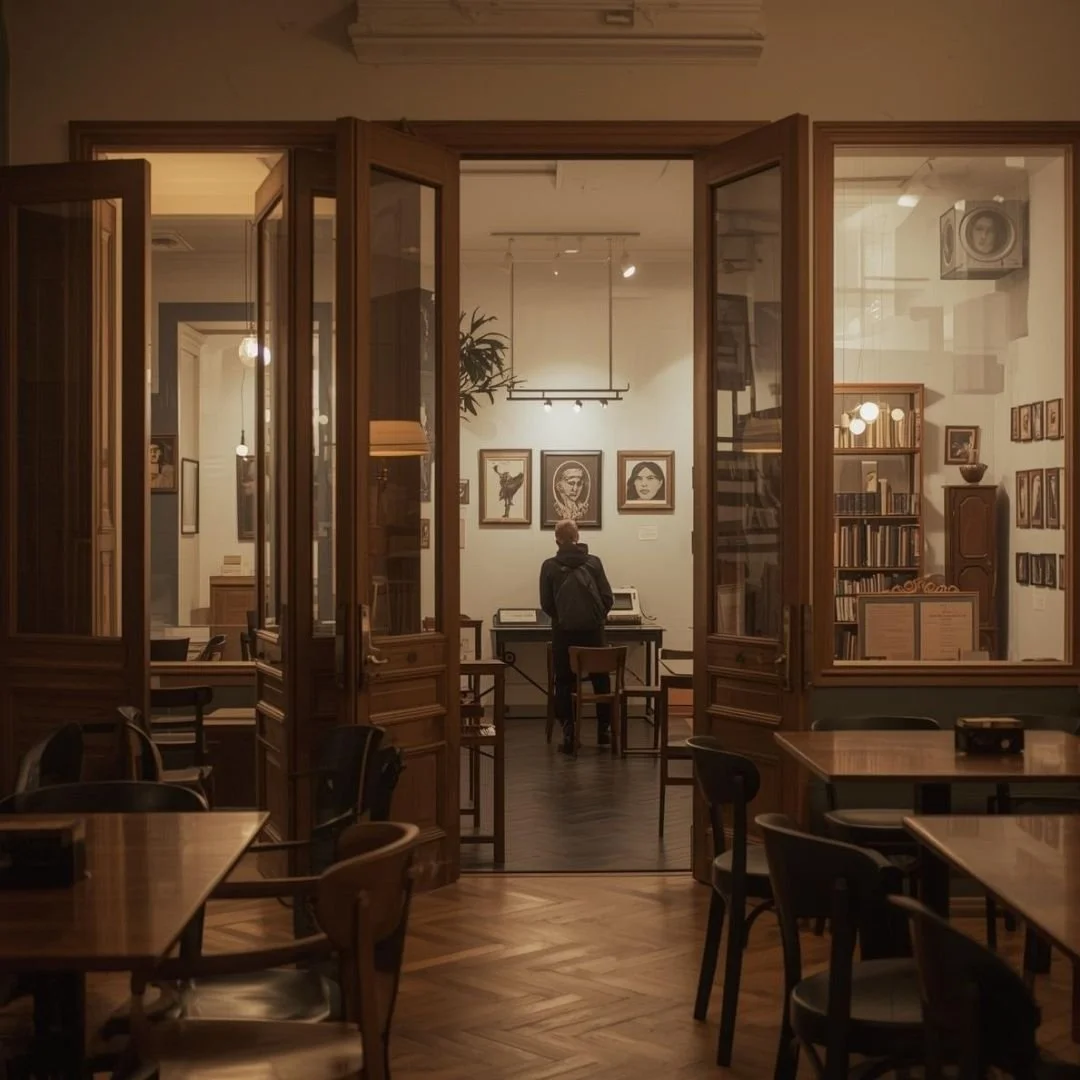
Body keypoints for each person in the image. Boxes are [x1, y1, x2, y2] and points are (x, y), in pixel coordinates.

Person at [539, 519, 614, 754]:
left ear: (557, 539)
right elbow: (607, 597)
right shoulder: (594, 563)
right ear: (577, 537)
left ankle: (569, 732)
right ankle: (604, 731)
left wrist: (563, 620)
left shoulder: (549, 566)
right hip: (593, 634)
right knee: (601, 678)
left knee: (563, 682)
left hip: (564, 636)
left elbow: (546, 604)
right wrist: (596, 619)